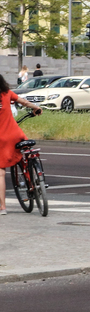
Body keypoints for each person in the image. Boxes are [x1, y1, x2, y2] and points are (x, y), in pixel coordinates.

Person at [0, 74, 42, 215]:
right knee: (24, 150)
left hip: (1, 139)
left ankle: (3, 208)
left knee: (0, 173)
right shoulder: (7, 93)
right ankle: (31, 174)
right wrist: (36, 108)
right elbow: (24, 102)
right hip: (15, 134)